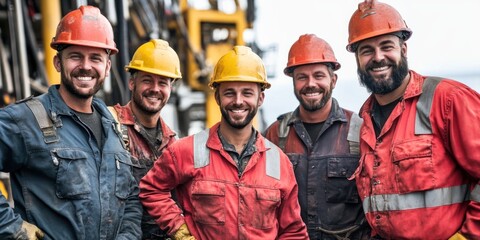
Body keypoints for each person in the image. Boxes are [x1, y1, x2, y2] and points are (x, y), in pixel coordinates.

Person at [0, 5, 142, 239]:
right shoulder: (27, 120)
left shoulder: (115, 128)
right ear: (58, 62)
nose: (86, 66)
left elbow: (131, 200)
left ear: (107, 67)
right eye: (75, 56)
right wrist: (14, 230)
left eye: (95, 58)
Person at [139, 46, 308, 239]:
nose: (238, 101)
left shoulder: (279, 163)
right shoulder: (187, 151)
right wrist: (180, 230)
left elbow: (293, 231)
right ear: (217, 96)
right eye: (229, 93)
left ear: (260, 98)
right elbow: (151, 189)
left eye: (247, 93)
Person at [346, 0, 480, 239]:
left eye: (387, 46)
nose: (378, 58)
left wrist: (466, 236)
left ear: (403, 50)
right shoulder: (364, 119)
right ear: (357, 59)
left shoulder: (446, 100)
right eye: (366, 50)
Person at [263, 34, 370, 239]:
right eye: (302, 77)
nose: (310, 84)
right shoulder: (276, 135)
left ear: (333, 79)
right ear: (294, 82)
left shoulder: (360, 131)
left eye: (319, 75)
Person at [110, 39, 181, 239]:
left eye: (163, 82)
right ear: (132, 83)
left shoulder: (173, 144)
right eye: (147, 80)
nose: (155, 89)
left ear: (170, 88)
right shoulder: (109, 123)